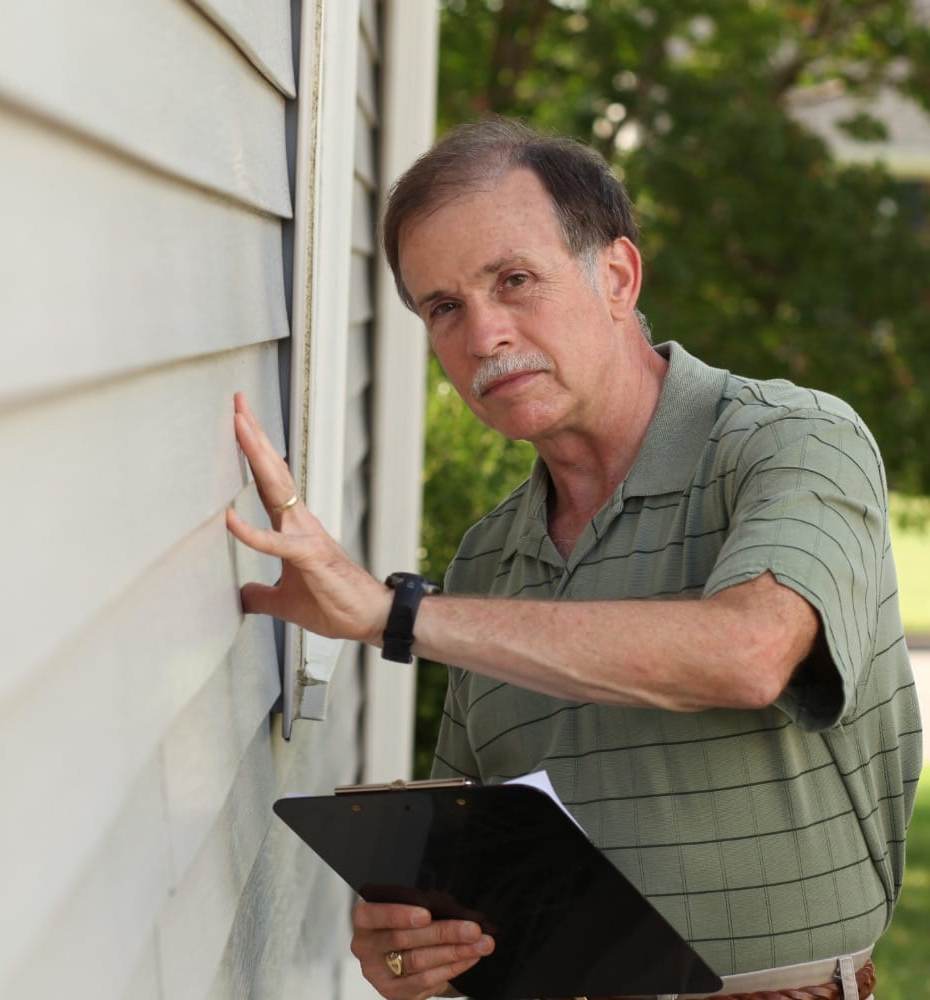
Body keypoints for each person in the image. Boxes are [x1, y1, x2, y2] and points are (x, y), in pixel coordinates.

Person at [227, 118, 921, 1000]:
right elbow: (467, 859)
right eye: (444, 307)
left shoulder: (791, 440)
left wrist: (393, 612)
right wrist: (415, 951)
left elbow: (751, 653)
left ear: (618, 277)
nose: (483, 335)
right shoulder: (488, 554)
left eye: (515, 280)